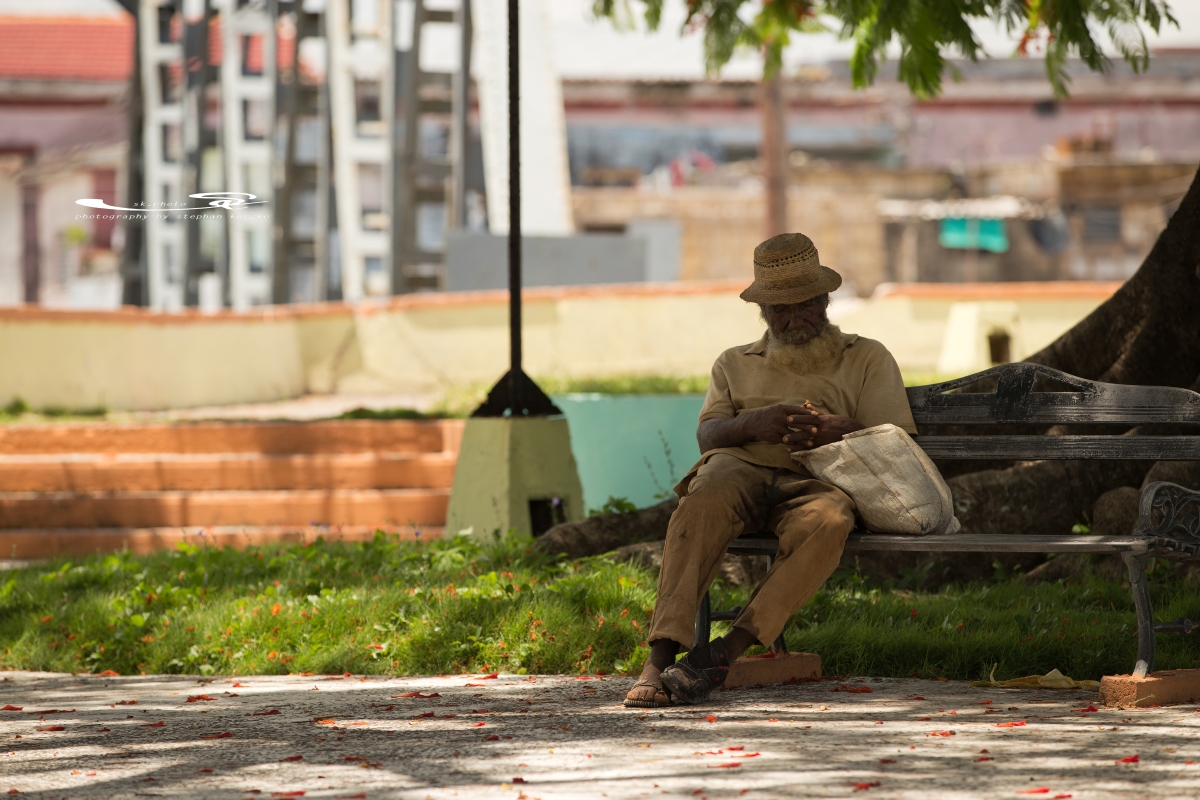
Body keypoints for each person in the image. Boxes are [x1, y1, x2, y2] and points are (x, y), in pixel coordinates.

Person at [623, 232, 918, 708]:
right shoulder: (733, 363)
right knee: (699, 502)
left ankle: (726, 651)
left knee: (830, 519)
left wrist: (839, 430)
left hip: (820, 481)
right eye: (781, 309)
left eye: (804, 305)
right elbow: (707, 436)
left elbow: (897, 443)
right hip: (738, 471)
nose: (794, 319)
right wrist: (757, 422)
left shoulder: (866, 357)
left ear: (825, 301)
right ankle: (658, 660)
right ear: (764, 312)